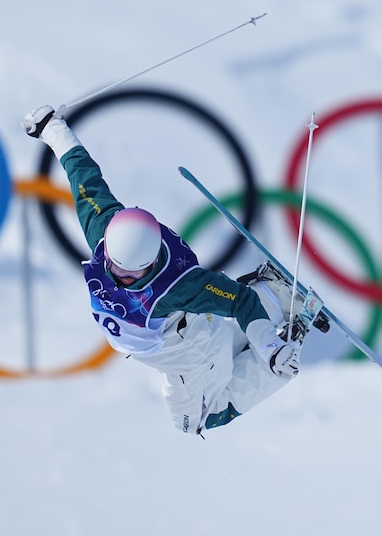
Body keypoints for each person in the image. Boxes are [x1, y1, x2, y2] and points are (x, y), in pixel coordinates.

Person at [22, 105, 305, 435]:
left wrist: (271, 350)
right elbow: (84, 178)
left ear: (152, 264)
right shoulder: (105, 231)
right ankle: (272, 305)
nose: (118, 278)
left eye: (130, 276)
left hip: (184, 350)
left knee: (195, 420)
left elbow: (238, 301)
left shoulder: (176, 285)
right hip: (185, 331)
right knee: (219, 346)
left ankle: (280, 344)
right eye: (113, 265)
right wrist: (53, 129)